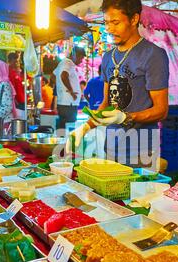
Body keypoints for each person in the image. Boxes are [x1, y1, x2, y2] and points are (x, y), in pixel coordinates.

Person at [66, 0, 169, 168]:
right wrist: (85, 127)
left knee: (138, 193)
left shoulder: (153, 55)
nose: (109, 29)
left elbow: (162, 110)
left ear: (134, 19)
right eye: (106, 23)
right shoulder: (108, 57)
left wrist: (126, 117)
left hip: (141, 150)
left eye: (115, 22)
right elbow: (106, 104)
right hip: (112, 147)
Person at [53, 47, 86, 129]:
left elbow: (53, 77)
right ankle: (67, 141)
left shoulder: (62, 63)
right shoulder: (68, 63)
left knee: (62, 127)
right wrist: (71, 92)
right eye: (81, 58)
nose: (81, 61)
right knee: (69, 128)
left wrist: (61, 89)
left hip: (64, 103)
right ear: (76, 55)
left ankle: (61, 140)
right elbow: (63, 76)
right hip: (69, 103)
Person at [7, 52, 26, 118]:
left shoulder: (15, 71)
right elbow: (10, 87)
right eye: (15, 62)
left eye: (17, 61)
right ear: (10, 61)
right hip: (17, 101)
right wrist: (14, 100)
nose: (16, 63)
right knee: (19, 119)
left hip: (21, 99)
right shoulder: (8, 72)